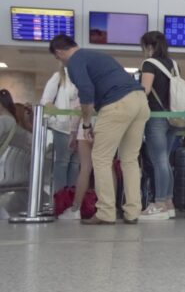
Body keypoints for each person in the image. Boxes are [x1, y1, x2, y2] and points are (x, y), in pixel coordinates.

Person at [49, 35, 149, 225]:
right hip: (140, 101)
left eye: (57, 57)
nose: (60, 61)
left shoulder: (74, 62)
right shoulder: (98, 56)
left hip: (117, 105)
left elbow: (86, 91)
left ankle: (105, 212)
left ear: (59, 52)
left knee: (101, 158)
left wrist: (86, 124)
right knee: (129, 159)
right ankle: (132, 212)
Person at [137, 31, 180, 220]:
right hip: (174, 117)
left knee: (159, 161)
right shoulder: (174, 65)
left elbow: (144, 90)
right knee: (166, 160)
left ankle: (160, 203)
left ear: (149, 46)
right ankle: (169, 202)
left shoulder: (149, 64)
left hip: (156, 117)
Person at [40, 64, 80, 191]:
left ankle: (71, 201)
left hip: (80, 128)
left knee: (75, 164)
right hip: (62, 128)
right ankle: (60, 200)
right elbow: (46, 100)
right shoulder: (58, 77)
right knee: (62, 162)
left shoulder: (85, 78)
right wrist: (59, 116)